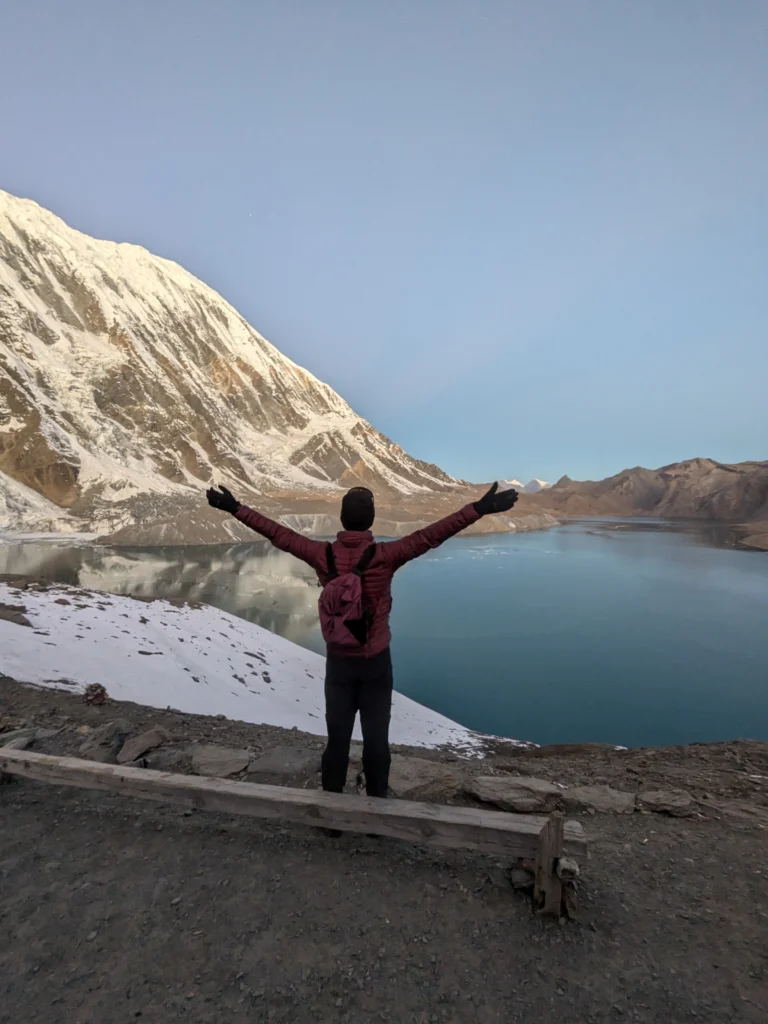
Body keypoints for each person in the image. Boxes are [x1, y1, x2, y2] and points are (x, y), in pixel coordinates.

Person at [206, 481, 518, 799]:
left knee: (337, 741)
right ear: (370, 521)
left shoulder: (322, 555)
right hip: (376, 664)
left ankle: (331, 814)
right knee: (376, 741)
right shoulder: (386, 555)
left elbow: (279, 535)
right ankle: (376, 812)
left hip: (340, 664)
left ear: (342, 520)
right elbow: (431, 535)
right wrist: (480, 508)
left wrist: (235, 508)